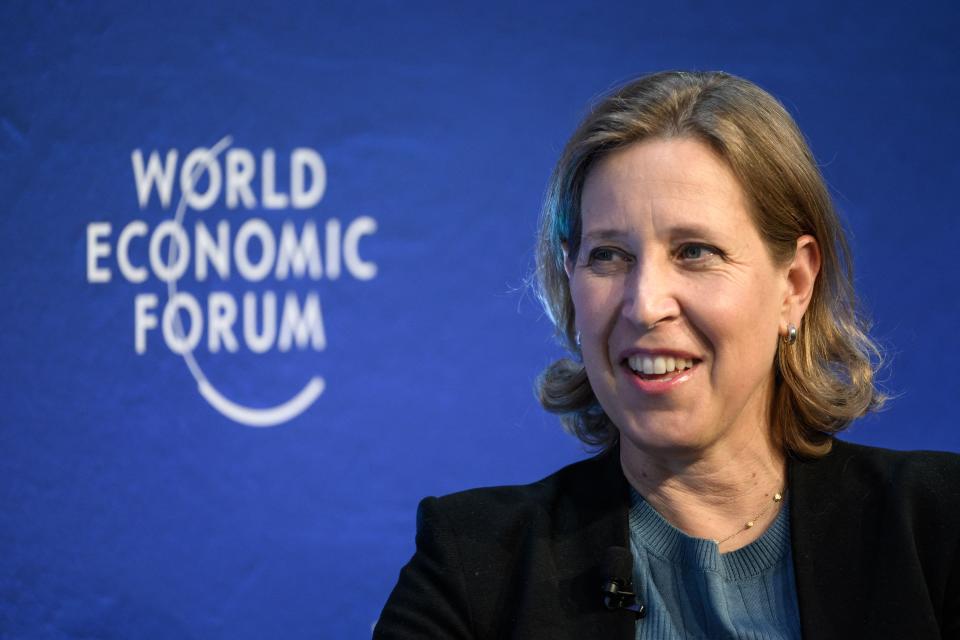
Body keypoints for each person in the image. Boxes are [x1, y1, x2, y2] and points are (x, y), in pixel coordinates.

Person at [373, 71, 960, 639]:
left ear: (794, 285)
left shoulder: (938, 525)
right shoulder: (473, 562)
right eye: (608, 255)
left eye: (695, 251)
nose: (644, 304)